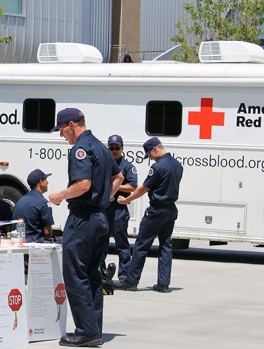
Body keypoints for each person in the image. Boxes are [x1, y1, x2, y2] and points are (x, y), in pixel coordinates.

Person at [49, 108, 123, 347]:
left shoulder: (80, 149)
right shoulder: (101, 146)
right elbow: (118, 178)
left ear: (72, 125)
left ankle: (85, 331)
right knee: (93, 274)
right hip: (101, 219)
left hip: (82, 219)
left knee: (74, 273)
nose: (62, 135)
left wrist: (61, 195)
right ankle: (94, 329)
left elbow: (82, 185)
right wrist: (105, 198)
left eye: (61, 130)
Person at [114, 137, 183, 293]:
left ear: (155, 149)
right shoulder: (178, 165)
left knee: (141, 245)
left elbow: (142, 189)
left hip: (156, 211)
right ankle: (163, 284)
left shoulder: (158, 167)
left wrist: (126, 200)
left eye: (149, 154)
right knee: (166, 246)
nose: (150, 158)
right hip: (171, 209)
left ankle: (131, 281)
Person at [101, 135, 138, 282]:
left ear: (122, 149)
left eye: (117, 148)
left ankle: (123, 275)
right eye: (111, 148)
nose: (114, 150)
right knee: (101, 243)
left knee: (122, 244)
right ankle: (102, 274)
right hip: (104, 210)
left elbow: (133, 186)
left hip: (118, 210)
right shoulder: (103, 165)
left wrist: (114, 186)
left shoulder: (128, 167)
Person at [12, 169, 54, 242]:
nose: (48, 182)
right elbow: (48, 233)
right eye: (46, 180)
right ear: (40, 182)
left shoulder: (20, 200)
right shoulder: (44, 203)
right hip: (34, 244)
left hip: (17, 241)